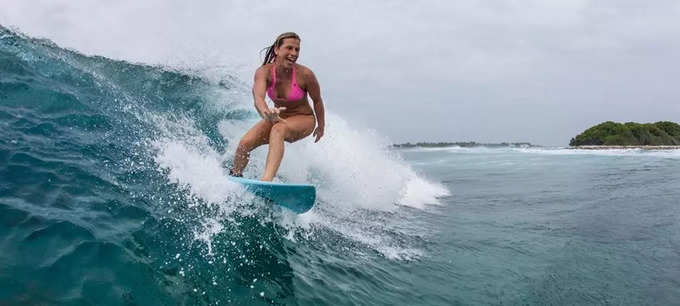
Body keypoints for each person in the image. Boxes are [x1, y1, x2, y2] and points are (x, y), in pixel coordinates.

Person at [230, 32, 325, 181]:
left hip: (304, 119)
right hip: (277, 117)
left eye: (297, 49)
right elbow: (259, 98)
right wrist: (267, 113)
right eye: (289, 48)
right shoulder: (264, 72)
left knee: (278, 129)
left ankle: (266, 181)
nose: (294, 53)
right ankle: (235, 175)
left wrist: (321, 126)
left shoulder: (305, 75)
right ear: (277, 49)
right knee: (245, 143)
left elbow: (317, 101)